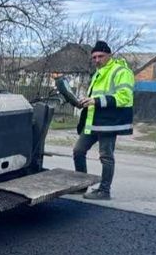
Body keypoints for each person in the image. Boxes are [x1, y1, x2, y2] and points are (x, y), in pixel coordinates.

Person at [56, 40, 134, 200]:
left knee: (106, 157)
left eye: (101, 56)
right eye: (94, 57)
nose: (97, 60)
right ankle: (81, 185)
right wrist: (85, 101)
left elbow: (124, 97)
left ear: (109, 55)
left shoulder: (121, 71)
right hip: (93, 121)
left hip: (109, 123)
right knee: (78, 151)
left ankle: (104, 191)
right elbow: (95, 97)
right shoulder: (98, 73)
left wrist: (95, 101)